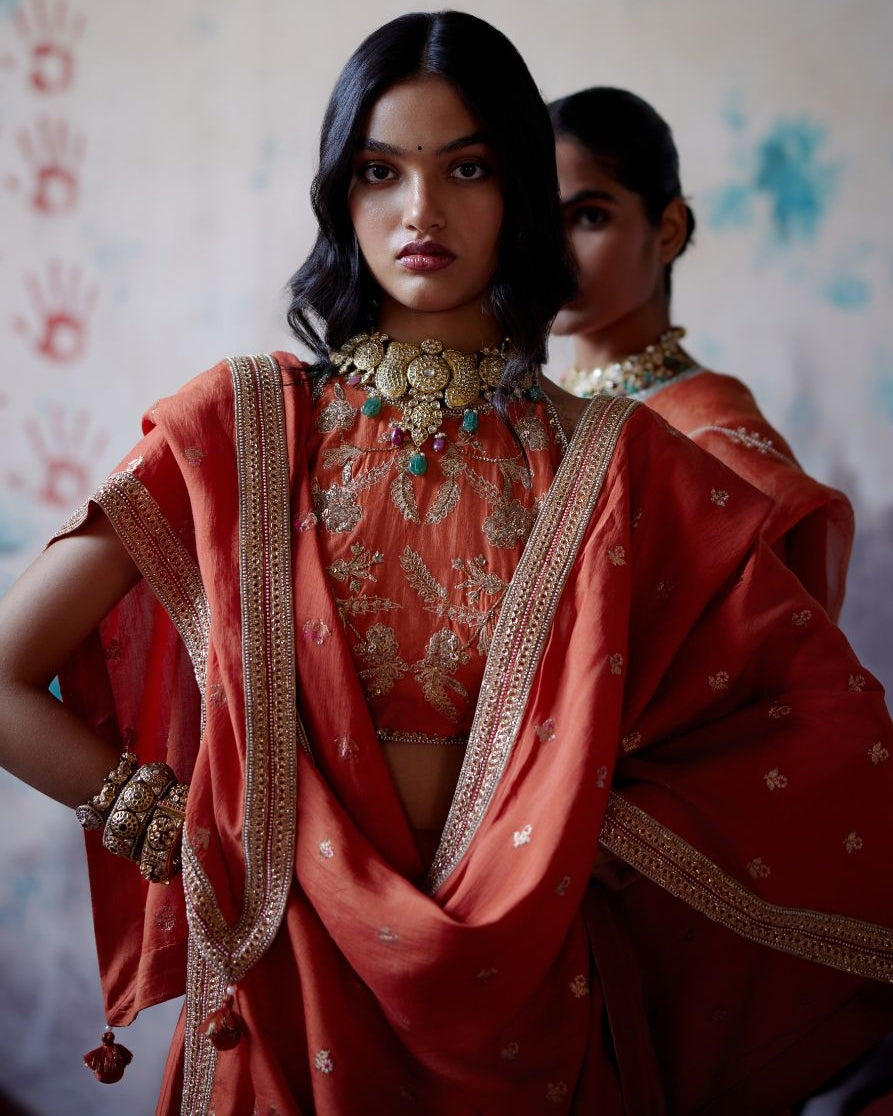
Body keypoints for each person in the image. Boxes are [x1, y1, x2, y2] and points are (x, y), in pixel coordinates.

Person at [0, 13, 892, 1115]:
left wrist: (581, 835)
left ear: (518, 189)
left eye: (465, 169)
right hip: (290, 991)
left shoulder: (621, 462)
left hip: (530, 1012)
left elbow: (816, 725)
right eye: (381, 171)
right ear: (341, 195)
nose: (419, 213)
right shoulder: (239, 427)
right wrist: (165, 821)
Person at [550, 87, 854, 621]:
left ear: (667, 230)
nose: (554, 254)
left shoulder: (719, 438)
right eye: (535, 223)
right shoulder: (534, 409)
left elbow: (762, 663)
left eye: (590, 217)